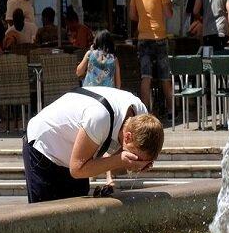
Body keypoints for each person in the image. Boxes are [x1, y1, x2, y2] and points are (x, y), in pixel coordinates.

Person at [23, 86, 164, 203]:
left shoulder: (140, 117)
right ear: (128, 137)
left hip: (77, 155)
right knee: (46, 217)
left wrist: (134, 164)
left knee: (78, 219)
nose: (135, 160)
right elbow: (77, 169)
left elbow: (109, 164)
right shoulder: (99, 118)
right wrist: (119, 160)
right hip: (44, 147)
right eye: (136, 157)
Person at [129, 0, 174, 118]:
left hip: (143, 38)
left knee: (145, 76)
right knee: (164, 76)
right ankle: (170, 111)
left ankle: (145, 113)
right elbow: (169, 14)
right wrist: (169, 4)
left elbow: (132, 16)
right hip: (160, 38)